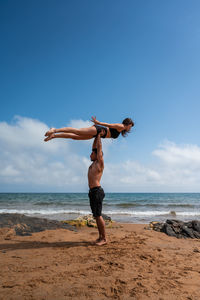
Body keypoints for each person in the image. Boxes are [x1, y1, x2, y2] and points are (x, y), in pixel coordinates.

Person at [44, 116, 134, 142]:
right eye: (131, 125)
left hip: (96, 135)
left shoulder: (121, 129)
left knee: (75, 137)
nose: (130, 128)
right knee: (77, 131)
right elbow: (109, 125)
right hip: (98, 130)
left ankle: (54, 136)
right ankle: (55, 130)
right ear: (128, 124)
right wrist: (98, 123)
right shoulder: (121, 126)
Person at [88, 132, 106, 246]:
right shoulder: (94, 163)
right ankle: (100, 237)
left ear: (97, 155)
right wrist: (95, 137)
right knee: (96, 216)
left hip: (97, 192)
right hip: (92, 192)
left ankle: (104, 239)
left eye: (91, 154)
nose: (90, 155)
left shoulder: (99, 163)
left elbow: (98, 148)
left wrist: (99, 136)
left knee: (99, 216)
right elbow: (94, 147)